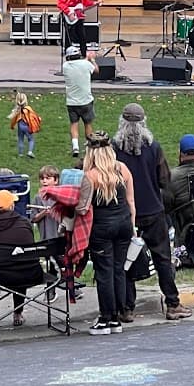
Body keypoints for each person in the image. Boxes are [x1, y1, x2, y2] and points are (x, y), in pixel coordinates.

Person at [112, 103, 192, 322]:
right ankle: (172, 304)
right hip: (153, 209)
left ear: (122, 123)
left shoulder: (113, 150)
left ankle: (126, 308)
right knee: (162, 258)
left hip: (126, 212)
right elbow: (164, 179)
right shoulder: (154, 148)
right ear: (143, 123)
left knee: (125, 260)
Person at [82, 133, 136, 335]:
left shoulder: (91, 176)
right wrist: (132, 226)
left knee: (104, 272)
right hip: (124, 224)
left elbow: (82, 207)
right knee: (119, 270)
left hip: (102, 227)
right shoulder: (122, 169)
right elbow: (131, 201)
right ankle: (118, 316)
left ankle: (106, 317)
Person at [0, 188, 37, 327]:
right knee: (20, 263)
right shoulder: (25, 223)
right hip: (27, 274)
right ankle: (18, 313)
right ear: (11, 206)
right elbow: (30, 249)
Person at [62, 45, 98, 158]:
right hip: (86, 100)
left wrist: (86, 60)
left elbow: (78, 65)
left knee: (74, 124)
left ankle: (75, 147)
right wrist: (92, 59)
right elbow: (96, 70)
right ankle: (89, 146)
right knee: (88, 123)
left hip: (71, 102)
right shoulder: (86, 64)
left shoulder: (65, 66)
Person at [9, 92, 41, 159]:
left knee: (20, 139)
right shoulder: (28, 109)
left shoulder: (17, 110)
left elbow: (13, 120)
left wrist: (12, 126)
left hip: (20, 126)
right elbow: (34, 116)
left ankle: (20, 154)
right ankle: (30, 152)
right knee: (31, 139)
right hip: (27, 126)